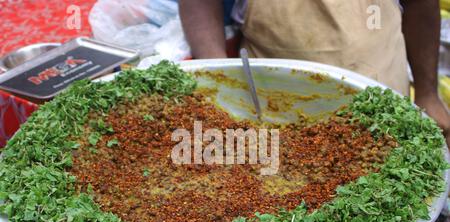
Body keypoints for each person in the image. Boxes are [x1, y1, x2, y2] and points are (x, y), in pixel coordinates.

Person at [179, 0, 450, 147]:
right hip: (275, 110)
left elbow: (420, 5)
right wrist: (214, 81)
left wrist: (427, 93)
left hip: (382, 94)